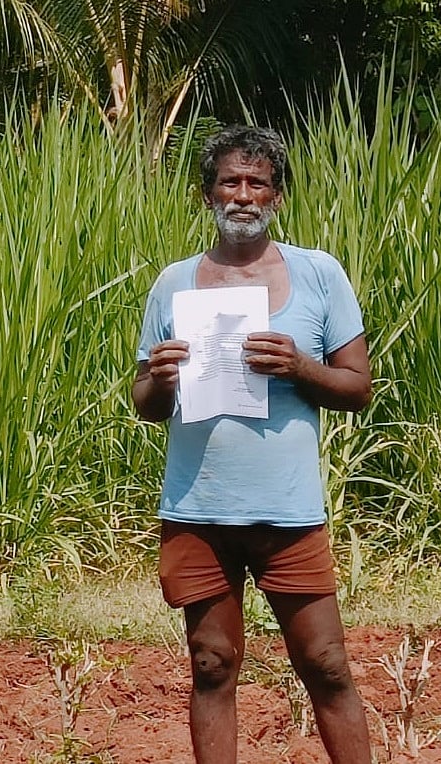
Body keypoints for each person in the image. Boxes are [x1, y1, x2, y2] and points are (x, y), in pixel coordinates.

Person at [132, 125, 373, 763]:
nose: (243, 195)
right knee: (211, 664)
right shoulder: (174, 284)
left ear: (278, 196)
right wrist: (161, 379)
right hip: (198, 508)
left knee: (325, 663)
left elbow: (356, 387)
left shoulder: (319, 275)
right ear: (206, 194)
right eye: (229, 182)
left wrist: (301, 368)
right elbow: (146, 405)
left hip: (287, 511)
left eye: (257, 183)